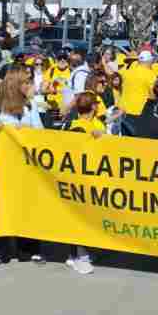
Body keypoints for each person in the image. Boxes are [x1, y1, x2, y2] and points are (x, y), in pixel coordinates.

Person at [0, 64, 46, 268]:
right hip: (3, 167)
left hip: (26, 166)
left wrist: (27, 130)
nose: (29, 85)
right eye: (25, 82)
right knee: (2, 208)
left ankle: (30, 250)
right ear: (15, 84)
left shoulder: (30, 106)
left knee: (27, 207)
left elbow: (41, 133)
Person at [64, 92, 105, 275]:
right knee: (78, 216)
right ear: (94, 107)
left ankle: (79, 252)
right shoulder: (76, 127)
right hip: (80, 177)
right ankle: (78, 256)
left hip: (94, 175)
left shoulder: (96, 123)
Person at [120, 75, 158, 140]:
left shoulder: (148, 103)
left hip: (145, 138)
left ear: (153, 89)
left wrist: (124, 116)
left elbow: (143, 123)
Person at [119, 51, 157, 118]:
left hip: (122, 109)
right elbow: (153, 95)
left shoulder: (126, 72)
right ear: (149, 61)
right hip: (139, 111)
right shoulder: (150, 74)